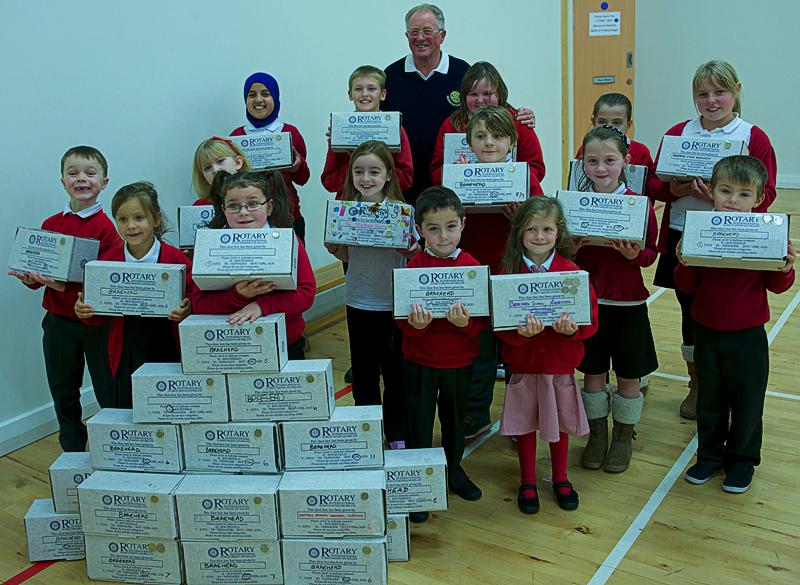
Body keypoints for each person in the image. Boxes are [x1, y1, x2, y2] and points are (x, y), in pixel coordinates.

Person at [647, 60, 778, 420]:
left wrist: (720, 199)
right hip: (683, 235)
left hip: (732, 238)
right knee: (690, 311)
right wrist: (677, 188)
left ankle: (727, 380)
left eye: (719, 92)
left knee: (728, 308)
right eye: (703, 94)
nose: (712, 100)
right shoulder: (679, 132)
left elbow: (767, 191)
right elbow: (656, 184)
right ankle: (698, 381)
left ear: (736, 90)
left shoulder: (752, 136)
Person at [676, 156, 794, 493]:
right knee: (710, 399)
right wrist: (684, 260)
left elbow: (777, 287)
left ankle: (743, 461)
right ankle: (710, 456)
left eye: (744, 195)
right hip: (707, 331)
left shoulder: (767, 233)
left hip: (748, 335)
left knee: (747, 401)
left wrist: (784, 268)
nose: (732, 200)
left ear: (759, 200)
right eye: (725, 191)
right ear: (711, 191)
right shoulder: (698, 229)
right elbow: (686, 285)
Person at [8, 146, 121, 451]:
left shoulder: (108, 230)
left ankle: (111, 449)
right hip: (58, 323)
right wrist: (31, 278)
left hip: (97, 325)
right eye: (73, 173)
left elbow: (104, 285)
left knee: (106, 389)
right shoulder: (50, 226)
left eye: (90, 173)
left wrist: (62, 286)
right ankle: (72, 450)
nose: (81, 179)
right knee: (63, 389)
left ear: (104, 182)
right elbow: (38, 278)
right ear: (62, 181)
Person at [496, 197, 598, 514]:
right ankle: (527, 480)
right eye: (532, 230)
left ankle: (561, 478)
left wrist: (572, 330)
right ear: (519, 232)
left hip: (559, 366)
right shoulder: (508, 273)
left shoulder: (572, 273)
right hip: (524, 365)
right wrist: (519, 335)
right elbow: (498, 325)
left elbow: (591, 320)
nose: (539, 237)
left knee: (560, 424)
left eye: (547, 229)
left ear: (559, 232)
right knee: (524, 425)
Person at [383, 4, 535, 203]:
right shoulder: (391, 76)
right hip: (403, 183)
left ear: (442, 35)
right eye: (414, 32)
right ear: (407, 36)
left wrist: (520, 115)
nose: (420, 38)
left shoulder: (462, 71)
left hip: (457, 191)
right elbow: (376, 119)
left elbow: (489, 106)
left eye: (427, 31)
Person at [573, 126, 659, 473]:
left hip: (628, 304)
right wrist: (572, 247)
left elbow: (651, 253)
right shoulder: (572, 204)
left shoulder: (640, 205)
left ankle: (623, 436)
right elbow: (560, 252)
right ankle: (597, 435)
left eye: (609, 160)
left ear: (626, 161)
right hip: (590, 302)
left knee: (628, 376)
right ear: (582, 163)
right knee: (593, 373)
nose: (601, 168)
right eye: (592, 161)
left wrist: (633, 255)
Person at [396, 186, 485, 519]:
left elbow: (482, 323)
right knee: (419, 423)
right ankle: (420, 482)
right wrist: (417, 326)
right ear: (420, 230)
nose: (443, 235)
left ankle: (454, 471)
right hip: (420, 360)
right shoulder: (411, 269)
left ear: (463, 224)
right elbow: (402, 322)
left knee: (454, 421)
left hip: (460, 361)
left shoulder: (473, 267)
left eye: (450, 226)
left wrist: (464, 325)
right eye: (433, 228)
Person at [453, 105, 541, 439]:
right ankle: (476, 413)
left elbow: (542, 229)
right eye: (481, 136)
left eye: (498, 136)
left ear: (512, 142)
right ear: (469, 142)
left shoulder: (524, 176)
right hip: (474, 275)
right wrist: (457, 190)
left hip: (512, 274)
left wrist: (522, 215)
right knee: (481, 350)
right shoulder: (458, 175)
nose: (490, 143)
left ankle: (520, 419)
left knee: (517, 351)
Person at [325, 140, 416, 448]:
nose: (366, 178)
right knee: (364, 375)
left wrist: (409, 248)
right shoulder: (346, 212)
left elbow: (415, 256)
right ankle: (367, 431)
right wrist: (334, 246)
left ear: (389, 175)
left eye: (374, 171)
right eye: (359, 171)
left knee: (395, 375)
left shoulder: (403, 212)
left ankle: (397, 433)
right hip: (358, 301)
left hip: (392, 304)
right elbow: (345, 255)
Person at [74, 182, 193, 408]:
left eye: (139, 218)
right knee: (128, 407)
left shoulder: (176, 259)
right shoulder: (108, 262)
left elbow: (195, 301)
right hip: (126, 349)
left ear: (156, 219)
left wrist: (187, 310)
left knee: (164, 407)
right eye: (123, 219)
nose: (131, 226)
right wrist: (84, 312)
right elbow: (98, 315)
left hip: (166, 346)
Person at [189, 171, 316, 361]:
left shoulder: (288, 242)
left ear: (270, 206)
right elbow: (198, 303)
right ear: (223, 209)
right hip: (230, 348)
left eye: (253, 204)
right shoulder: (210, 247)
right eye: (233, 206)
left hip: (285, 342)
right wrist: (238, 297)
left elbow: (306, 293)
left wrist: (261, 306)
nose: (243, 212)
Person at [429, 61, 545, 187]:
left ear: (500, 94)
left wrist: (511, 179)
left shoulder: (518, 121)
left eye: (487, 94)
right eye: (473, 94)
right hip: (463, 200)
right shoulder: (452, 124)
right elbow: (436, 171)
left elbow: (537, 168)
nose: (480, 100)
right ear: (464, 97)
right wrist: (455, 174)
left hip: (511, 200)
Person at [230, 72, 310, 242]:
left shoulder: (290, 133)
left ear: (276, 97)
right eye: (252, 95)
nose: (258, 99)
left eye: (265, 94)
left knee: (293, 262)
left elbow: (304, 178)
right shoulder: (237, 136)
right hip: (249, 218)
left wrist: (297, 166)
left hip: (288, 215)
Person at [321, 65, 414, 199]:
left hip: (386, 207)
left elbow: (406, 178)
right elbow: (329, 182)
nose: (365, 94)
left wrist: (376, 167)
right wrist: (354, 161)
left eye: (371, 89)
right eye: (358, 89)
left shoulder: (395, 129)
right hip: (348, 207)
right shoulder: (341, 131)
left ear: (383, 94)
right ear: (350, 95)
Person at [574, 93, 653, 168]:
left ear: (628, 125)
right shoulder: (586, 149)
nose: (609, 128)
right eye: (602, 122)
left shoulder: (640, 151)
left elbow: (651, 181)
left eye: (616, 123)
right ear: (594, 122)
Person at [191, 137, 250, 205]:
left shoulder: (257, 196)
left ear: (238, 162)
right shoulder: (200, 206)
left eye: (220, 161)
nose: (215, 170)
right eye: (207, 168)